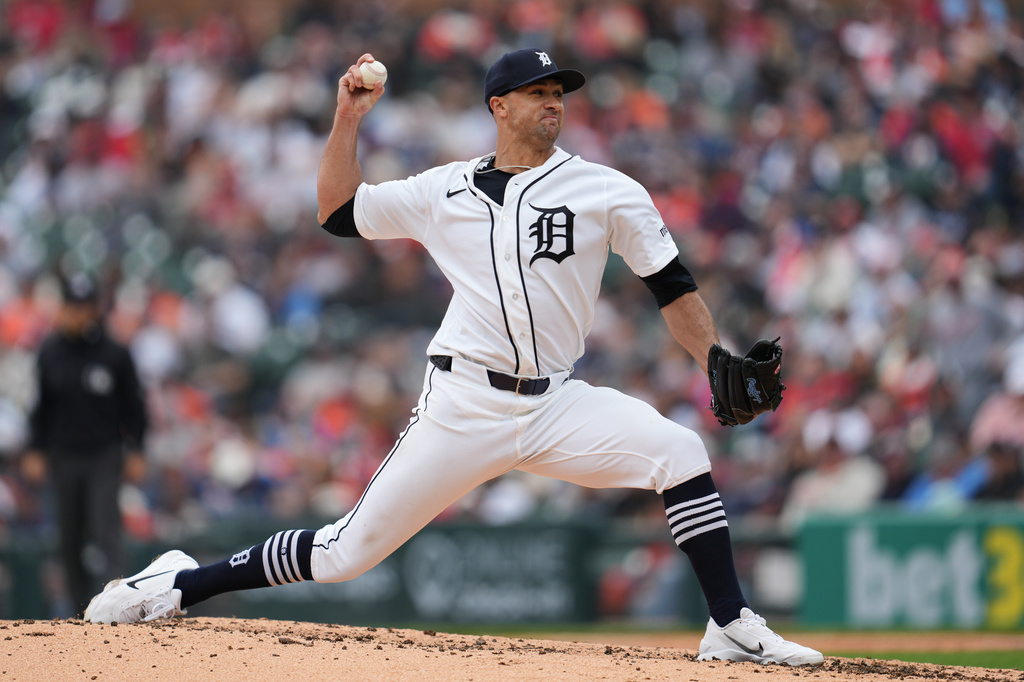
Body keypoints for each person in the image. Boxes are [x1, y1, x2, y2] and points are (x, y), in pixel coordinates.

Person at [84, 49, 823, 667]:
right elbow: (338, 212)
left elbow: (673, 286)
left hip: (556, 402)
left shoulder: (607, 190)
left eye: (559, 91)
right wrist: (347, 120)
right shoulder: (444, 190)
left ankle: (729, 623)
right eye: (538, 92)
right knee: (347, 553)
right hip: (464, 403)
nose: (554, 102)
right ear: (499, 105)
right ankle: (180, 582)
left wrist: (713, 356)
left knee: (680, 450)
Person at [22, 272, 148, 616]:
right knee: (68, 538)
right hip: (62, 455)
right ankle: (81, 612)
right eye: (74, 306)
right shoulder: (50, 352)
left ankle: (117, 609)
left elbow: (134, 406)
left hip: (103, 454)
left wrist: (137, 449)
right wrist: (34, 449)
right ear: (64, 308)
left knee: (105, 531)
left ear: (95, 308)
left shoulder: (114, 354)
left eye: (86, 306)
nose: (80, 313)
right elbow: (41, 407)